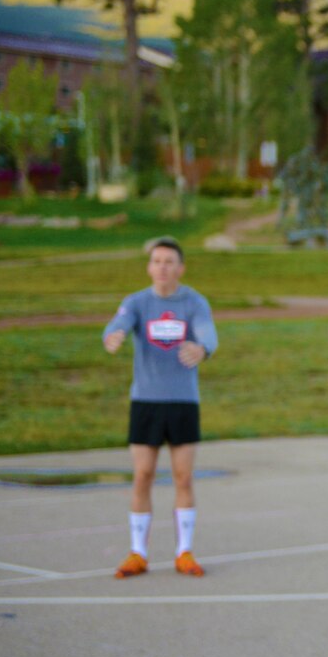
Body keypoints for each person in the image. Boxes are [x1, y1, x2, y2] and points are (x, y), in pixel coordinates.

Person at [103, 237, 218, 579]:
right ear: (149, 267)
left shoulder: (194, 302)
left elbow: (207, 333)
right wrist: (113, 336)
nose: (163, 267)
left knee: (183, 477)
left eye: (170, 261)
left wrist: (203, 349)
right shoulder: (137, 302)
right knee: (143, 476)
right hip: (146, 402)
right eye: (157, 261)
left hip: (182, 401)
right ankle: (138, 553)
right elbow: (117, 323)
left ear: (180, 268)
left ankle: (184, 551)